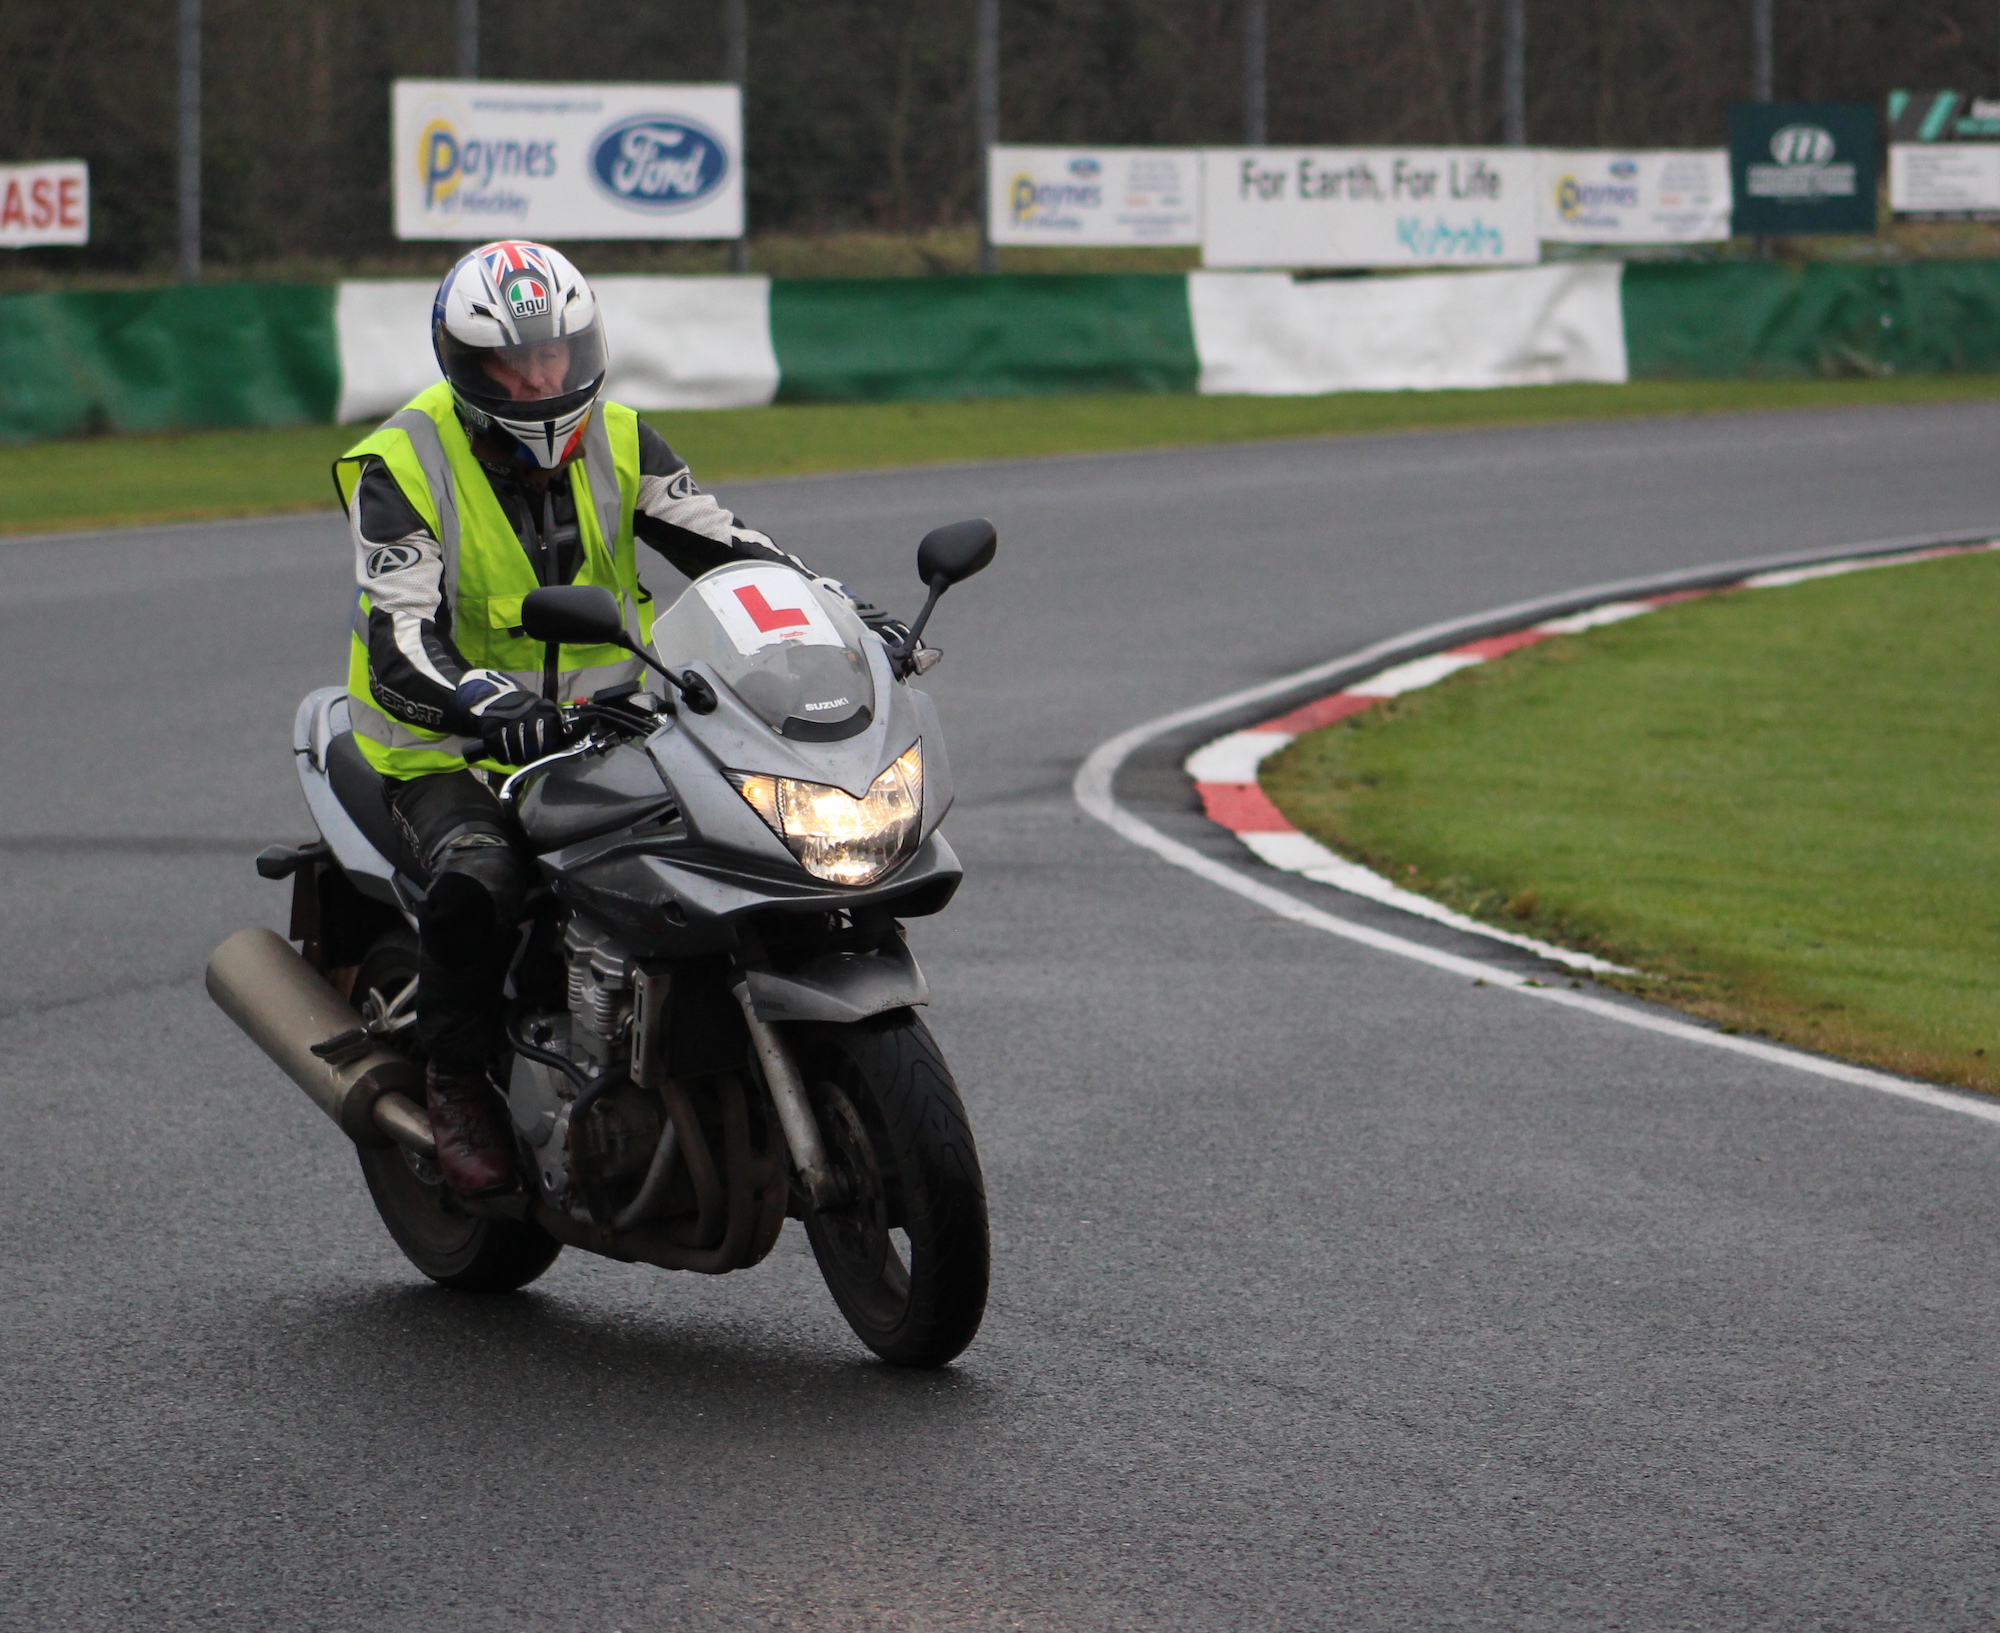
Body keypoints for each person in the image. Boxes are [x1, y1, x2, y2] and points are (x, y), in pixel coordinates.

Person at [333, 240, 897, 1196]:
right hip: (447, 748)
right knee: (482, 878)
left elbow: (736, 554)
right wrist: (484, 701)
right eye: (514, 364)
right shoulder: (402, 462)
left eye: (556, 355)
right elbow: (400, 638)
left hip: (605, 724)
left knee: (736, 833)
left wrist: (845, 615)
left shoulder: (622, 438)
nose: (541, 378)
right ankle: (458, 1078)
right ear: (467, 369)